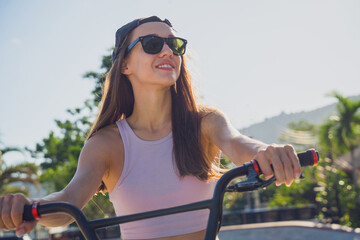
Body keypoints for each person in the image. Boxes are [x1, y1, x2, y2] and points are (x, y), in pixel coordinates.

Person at [0, 16, 302, 240]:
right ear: (125, 65)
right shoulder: (106, 144)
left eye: (175, 45)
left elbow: (239, 145)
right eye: (153, 44)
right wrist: (29, 207)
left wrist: (267, 152)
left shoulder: (205, 123)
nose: (167, 52)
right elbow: (70, 199)